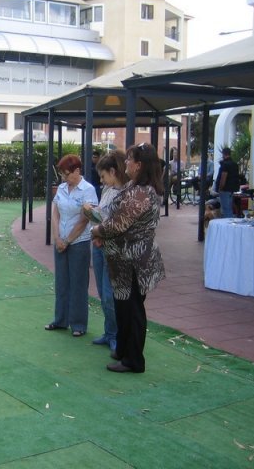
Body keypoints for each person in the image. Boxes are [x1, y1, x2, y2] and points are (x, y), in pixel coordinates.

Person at [90, 143, 166, 373]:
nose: (126, 163)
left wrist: (97, 231)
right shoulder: (136, 187)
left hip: (135, 261)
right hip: (125, 259)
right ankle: (123, 351)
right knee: (124, 307)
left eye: (129, 160)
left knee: (132, 311)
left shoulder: (142, 191)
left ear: (139, 165)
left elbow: (118, 223)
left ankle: (133, 360)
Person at [45, 154, 98, 338]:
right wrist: (57, 238)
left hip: (79, 242)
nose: (64, 178)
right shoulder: (61, 188)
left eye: (67, 174)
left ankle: (78, 324)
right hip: (60, 240)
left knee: (78, 283)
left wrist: (67, 241)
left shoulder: (88, 190)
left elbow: (84, 220)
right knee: (61, 282)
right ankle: (60, 320)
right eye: (62, 175)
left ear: (77, 171)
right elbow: (56, 213)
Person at [82, 150, 129, 352]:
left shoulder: (127, 192)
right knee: (103, 293)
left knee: (111, 295)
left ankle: (118, 334)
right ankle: (110, 332)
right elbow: (102, 214)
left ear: (113, 171)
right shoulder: (108, 190)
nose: (101, 180)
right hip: (101, 245)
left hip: (115, 249)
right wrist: (92, 213)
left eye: (103, 176)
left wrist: (100, 227)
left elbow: (119, 225)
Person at [215, 147, 240, 218]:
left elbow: (223, 177)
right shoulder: (235, 164)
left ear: (223, 154)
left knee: (226, 209)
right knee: (229, 208)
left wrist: (220, 188)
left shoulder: (225, 165)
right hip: (232, 189)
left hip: (225, 189)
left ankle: (228, 224)